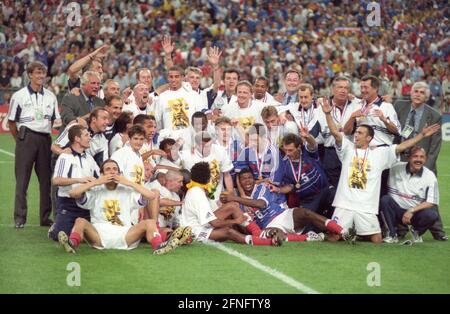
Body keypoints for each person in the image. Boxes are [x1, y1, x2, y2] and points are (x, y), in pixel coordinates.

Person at [321, 98, 440, 243]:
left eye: (360, 133)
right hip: (344, 204)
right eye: (356, 132)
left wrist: (421, 135)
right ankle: (349, 234)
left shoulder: (380, 154)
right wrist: (327, 113)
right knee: (333, 238)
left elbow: (401, 147)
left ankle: (356, 234)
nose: (356, 135)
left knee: (377, 239)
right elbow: (335, 132)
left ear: (369, 138)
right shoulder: (347, 149)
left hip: (366, 207)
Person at [58, 159, 181, 255]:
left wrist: (127, 182)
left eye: (115, 169)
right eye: (108, 169)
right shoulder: (95, 190)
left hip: (125, 234)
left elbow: (151, 195)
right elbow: (72, 193)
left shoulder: (127, 190)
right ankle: (71, 244)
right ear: (102, 173)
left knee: (149, 222)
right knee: (80, 221)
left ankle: (158, 246)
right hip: (99, 235)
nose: (112, 172)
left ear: (119, 173)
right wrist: (96, 182)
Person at [220, 168, 354, 243]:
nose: (247, 181)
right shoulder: (238, 203)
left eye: (249, 178)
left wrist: (233, 197)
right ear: (239, 182)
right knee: (276, 235)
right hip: (269, 225)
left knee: (305, 212)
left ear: (254, 179)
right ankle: (317, 237)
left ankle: (343, 232)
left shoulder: (261, 187)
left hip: (282, 214)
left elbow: (260, 204)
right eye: (243, 179)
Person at [7, 61, 61, 228]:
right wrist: (20, 141)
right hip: (26, 137)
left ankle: (45, 218)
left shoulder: (51, 96)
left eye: (42, 73)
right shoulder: (19, 95)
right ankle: (19, 218)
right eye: (37, 73)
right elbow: (11, 123)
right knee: (22, 180)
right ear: (29, 75)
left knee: (46, 181)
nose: (40, 76)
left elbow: (56, 121)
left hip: (45, 138)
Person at [180, 162, 279, 246]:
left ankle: (258, 233)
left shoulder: (197, 189)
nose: (213, 177)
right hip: (194, 231)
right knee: (228, 231)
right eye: (211, 175)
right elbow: (215, 223)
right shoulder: (197, 194)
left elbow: (210, 219)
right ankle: (267, 242)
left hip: (201, 223)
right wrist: (236, 221)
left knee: (231, 206)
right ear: (207, 178)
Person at [394, 82, 446, 240]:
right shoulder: (399, 106)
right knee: (398, 195)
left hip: (422, 162)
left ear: (427, 96)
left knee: (430, 199)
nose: (417, 94)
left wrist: (426, 169)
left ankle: (439, 233)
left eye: (422, 92)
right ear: (410, 92)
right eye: (415, 91)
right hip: (400, 161)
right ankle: (399, 228)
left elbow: (435, 146)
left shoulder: (434, 115)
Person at [49, 125, 99, 241]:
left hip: (87, 203)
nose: (89, 138)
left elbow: (99, 176)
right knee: (60, 235)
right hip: (68, 203)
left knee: (93, 236)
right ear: (77, 138)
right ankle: (55, 229)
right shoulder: (65, 157)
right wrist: (79, 180)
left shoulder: (89, 158)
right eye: (86, 135)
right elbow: (56, 180)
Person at [380, 147, 440, 243]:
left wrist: (411, 211)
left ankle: (416, 232)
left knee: (432, 215)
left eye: (421, 157)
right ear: (408, 158)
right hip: (395, 210)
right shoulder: (395, 168)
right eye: (415, 156)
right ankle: (391, 234)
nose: (418, 160)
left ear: (425, 159)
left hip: (414, 213)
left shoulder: (430, 176)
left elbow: (431, 202)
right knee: (385, 200)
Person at [316, 76, 362, 187]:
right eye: (340, 87)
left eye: (346, 88)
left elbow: (370, 100)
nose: (343, 90)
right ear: (333, 89)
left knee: (353, 185)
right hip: (330, 152)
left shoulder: (357, 104)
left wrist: (383, 98)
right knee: (334, 188)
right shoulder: (321, 105)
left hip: (351, 150)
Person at [279, 133, 335, 218]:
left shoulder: (307, 153)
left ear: (298, 147)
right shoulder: (284, 165)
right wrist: (278, 189)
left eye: (290, 150)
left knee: (335, 197)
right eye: (285, 150)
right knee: (309, 223)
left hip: (324, 191)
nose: (287, 153)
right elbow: (290, 186)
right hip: (308, 200)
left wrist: (308, 137)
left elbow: (313, 145)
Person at [343, 75, 400, 147]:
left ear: (375, 88)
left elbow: (396, 130)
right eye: (361, 87)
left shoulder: (387, 106)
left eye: (366, 87)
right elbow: (346, 132)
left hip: (380, 150)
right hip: (360, 151)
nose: (363, 90)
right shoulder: (357, 106)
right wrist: (352, 117)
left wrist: (385, 120)